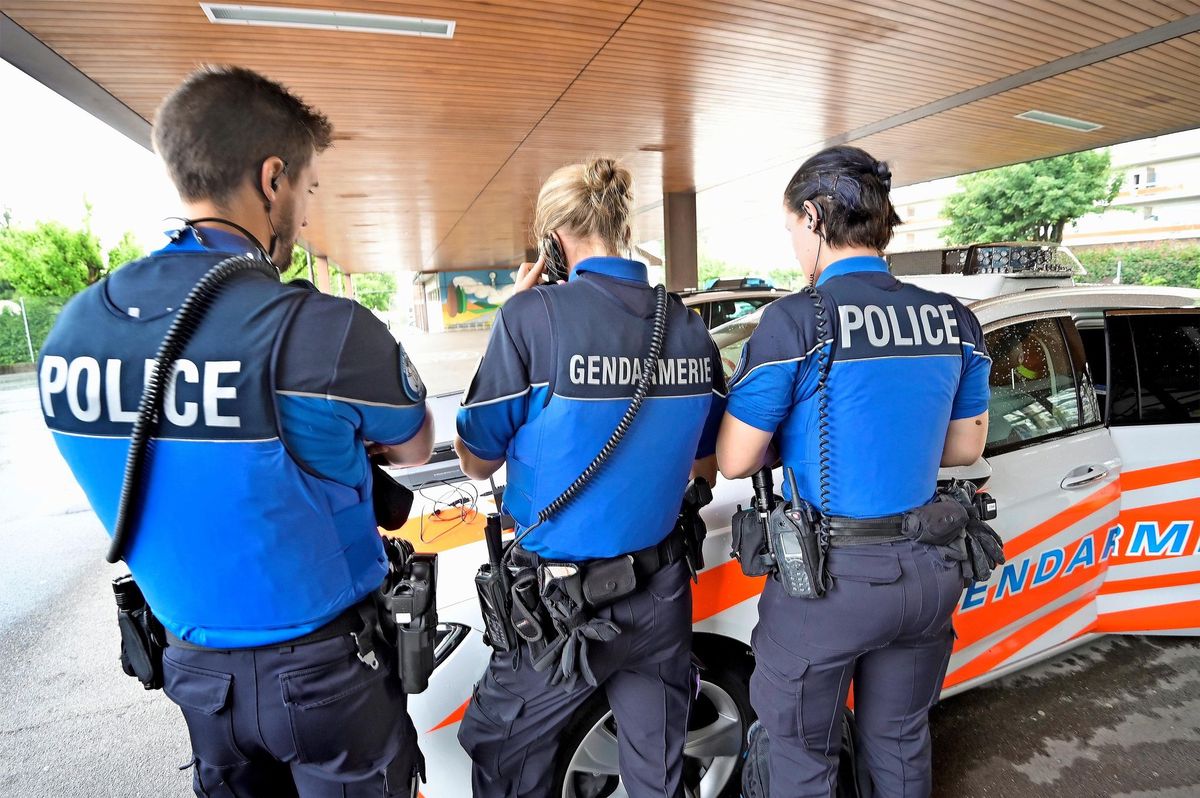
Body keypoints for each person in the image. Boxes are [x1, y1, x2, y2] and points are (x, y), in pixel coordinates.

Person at [38, 66, 433, 797]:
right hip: (331, 676)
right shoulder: (324, 331)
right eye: (308, 189)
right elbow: (413, 445)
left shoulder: (72, 332)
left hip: (196, 678)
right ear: (272, 179)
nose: (305, 217)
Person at [716, 145, 993, 798]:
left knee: (801, 756)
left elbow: (735, 459)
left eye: (792, 227)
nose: (794, 245)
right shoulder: (954, 317)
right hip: (930, 571)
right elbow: (964, 446)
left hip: (829, 584)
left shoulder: (795, 319)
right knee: (899, 741)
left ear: (813, 218)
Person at [454, 157, 726, 798]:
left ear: (554, 240)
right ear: (623, 227)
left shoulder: (531, 318)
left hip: (560, 613)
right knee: (659, 773)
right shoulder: (688, 327)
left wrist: (515, 312)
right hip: (660, 592)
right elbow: (706, 463)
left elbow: (475, 459)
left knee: (504, 758)